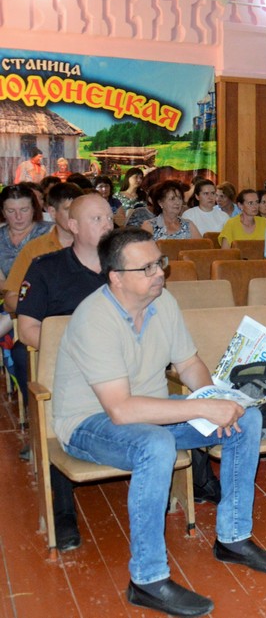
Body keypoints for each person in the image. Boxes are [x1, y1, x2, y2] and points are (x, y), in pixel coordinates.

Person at [52, 227, 266, 616]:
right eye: (146, 268)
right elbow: (121, 410)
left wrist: (215, 400)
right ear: (116, 277)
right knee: (155, 445)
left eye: (159, 262)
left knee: (245, 419)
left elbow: (189, 364)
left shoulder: (163, 301)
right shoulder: (94, 318)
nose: (159, 273)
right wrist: (201, 410)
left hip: (153, 410)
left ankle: (233, 538)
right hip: (89, 424)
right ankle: (147, 579)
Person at [17, 194, 114, 552]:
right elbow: (27, 330)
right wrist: (76, 348)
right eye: (96, 219)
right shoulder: (46, 268)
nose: (107, 225)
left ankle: (198, 481)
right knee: (53, 414)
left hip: (122, 363)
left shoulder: (125, 265)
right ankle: (63, 512)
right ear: (72, 226)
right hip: (66, 365)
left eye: (109, 218)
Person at [4, 182, 83, 312]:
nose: (75, 215)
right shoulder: (35, 249)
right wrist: (41, 312)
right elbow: (13, 296)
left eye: (80, 209)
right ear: (52, 212)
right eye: (68, 209)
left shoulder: (97, 246)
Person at [0, 183, 53, 282]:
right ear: (3, 212)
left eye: (24, 210)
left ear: (34, 209)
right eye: (11, 211)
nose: (18, 216)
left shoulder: (51, 231)